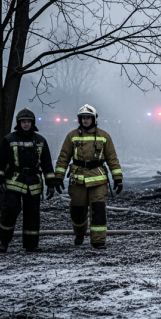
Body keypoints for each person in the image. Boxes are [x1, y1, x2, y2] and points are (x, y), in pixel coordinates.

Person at [54, 104, 123, 249]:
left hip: (98, 180)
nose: (86, 121)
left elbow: (112, 158)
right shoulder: (71, 136)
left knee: (98, 210)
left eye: (88, 118)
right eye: (83, 118)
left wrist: (118, 178)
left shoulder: (104, 136)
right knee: (77, 211)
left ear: (94, 119)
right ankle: (79, 233)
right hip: (77, 180)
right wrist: (58, 176)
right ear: (80, 120)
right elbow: (63, 157)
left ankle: (98, 241)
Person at [0, 108, 56, 253]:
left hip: (33, 183)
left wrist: (51, 184)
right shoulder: (9, 139)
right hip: (14, 182)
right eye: (23, 122)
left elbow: (47, 164)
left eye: (28, 122)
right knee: (10, 210)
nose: (26, 124)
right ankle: (4, 241)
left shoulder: (40, 141)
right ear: (18, 123)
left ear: (32, 123)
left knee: (32, 214)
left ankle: (31, 245)